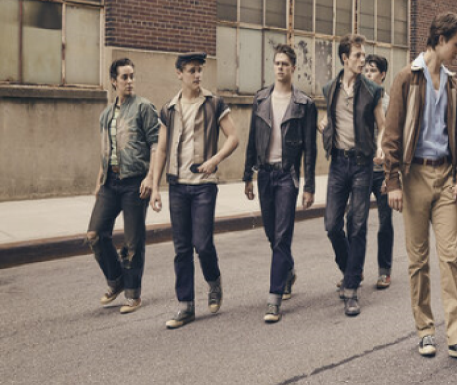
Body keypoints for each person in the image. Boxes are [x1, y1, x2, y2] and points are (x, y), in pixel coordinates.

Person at [381, 12, 457, 360]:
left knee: (451, 257)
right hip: (413, 179)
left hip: (445, 178)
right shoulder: (407, 78)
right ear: (440, 41)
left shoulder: (452, 84)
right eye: (456, 44)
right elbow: (391, 135)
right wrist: (392, 182)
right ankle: (425, 331)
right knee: (418, 261)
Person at [150, 52, 240, 329]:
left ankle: (214, 283)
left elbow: (234, 138)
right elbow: (162, 149)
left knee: (202, 244)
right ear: (179, 73)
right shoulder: (169, 109)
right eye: (191, 70)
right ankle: (185, 305)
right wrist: (154, 187)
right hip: (177, 186)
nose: (197, 75)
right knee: (181, 249)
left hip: (203, 188)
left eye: (199, 70)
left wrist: (215, 160)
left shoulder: (214, 103)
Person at [242, 44, 317, 323]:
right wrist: (247, 174)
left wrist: (309, 186)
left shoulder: (304, 104)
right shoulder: (261, 99)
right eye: (277, 63)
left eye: (285, 63)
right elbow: (252, 138)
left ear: (294, 68)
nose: (280, 67)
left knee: (283, 235)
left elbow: (310, 148)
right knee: (272, 235)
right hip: (264, 174)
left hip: (288, 176)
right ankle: (288, 271)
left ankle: (274, 299)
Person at [319, 35, 385, 317]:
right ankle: (350, 271)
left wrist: (381, 146)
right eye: (357, 56)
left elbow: (383, 126)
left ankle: (351, 289)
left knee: (357, 225)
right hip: (338, 163)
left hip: (362, 164)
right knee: (332, 225)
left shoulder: (372, 90)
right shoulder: (330, 88)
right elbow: (329, 118)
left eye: (364, 56)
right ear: (345, 59)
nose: (363, 60)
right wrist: (324, 125)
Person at [86, 58, 159, 314]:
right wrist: (99, 182)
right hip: (110, 182)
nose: (129, 81)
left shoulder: (144, 108)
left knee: (132, 241)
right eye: (124, 77)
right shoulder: (105, 115)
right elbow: (106, 151)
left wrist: (151, 177)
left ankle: (133, 294)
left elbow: (156, 144)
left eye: (132, 76)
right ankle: (116, 280)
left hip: (134, 182)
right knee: (95, 233)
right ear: (114, 81)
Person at [362, 54, 394, 290]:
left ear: (382, 74)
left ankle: (384, 271)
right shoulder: (359, 100)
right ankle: (355, 270)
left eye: (372, 70)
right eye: (365, 70)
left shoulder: (390, 104)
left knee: (384, 222)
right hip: (361, 170)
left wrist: (392, 172)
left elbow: (394, 139)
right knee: (356, 221)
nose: (368, 74)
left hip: (382, 172)